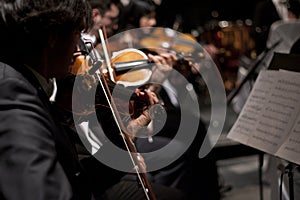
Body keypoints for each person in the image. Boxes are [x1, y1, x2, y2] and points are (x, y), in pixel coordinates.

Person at [0, 0, 186, 199]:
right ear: (53, 36)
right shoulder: (13, 91)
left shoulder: (29, 82)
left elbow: (76, 177)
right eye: (76, 33)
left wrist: (127, 136)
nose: (80, 48)